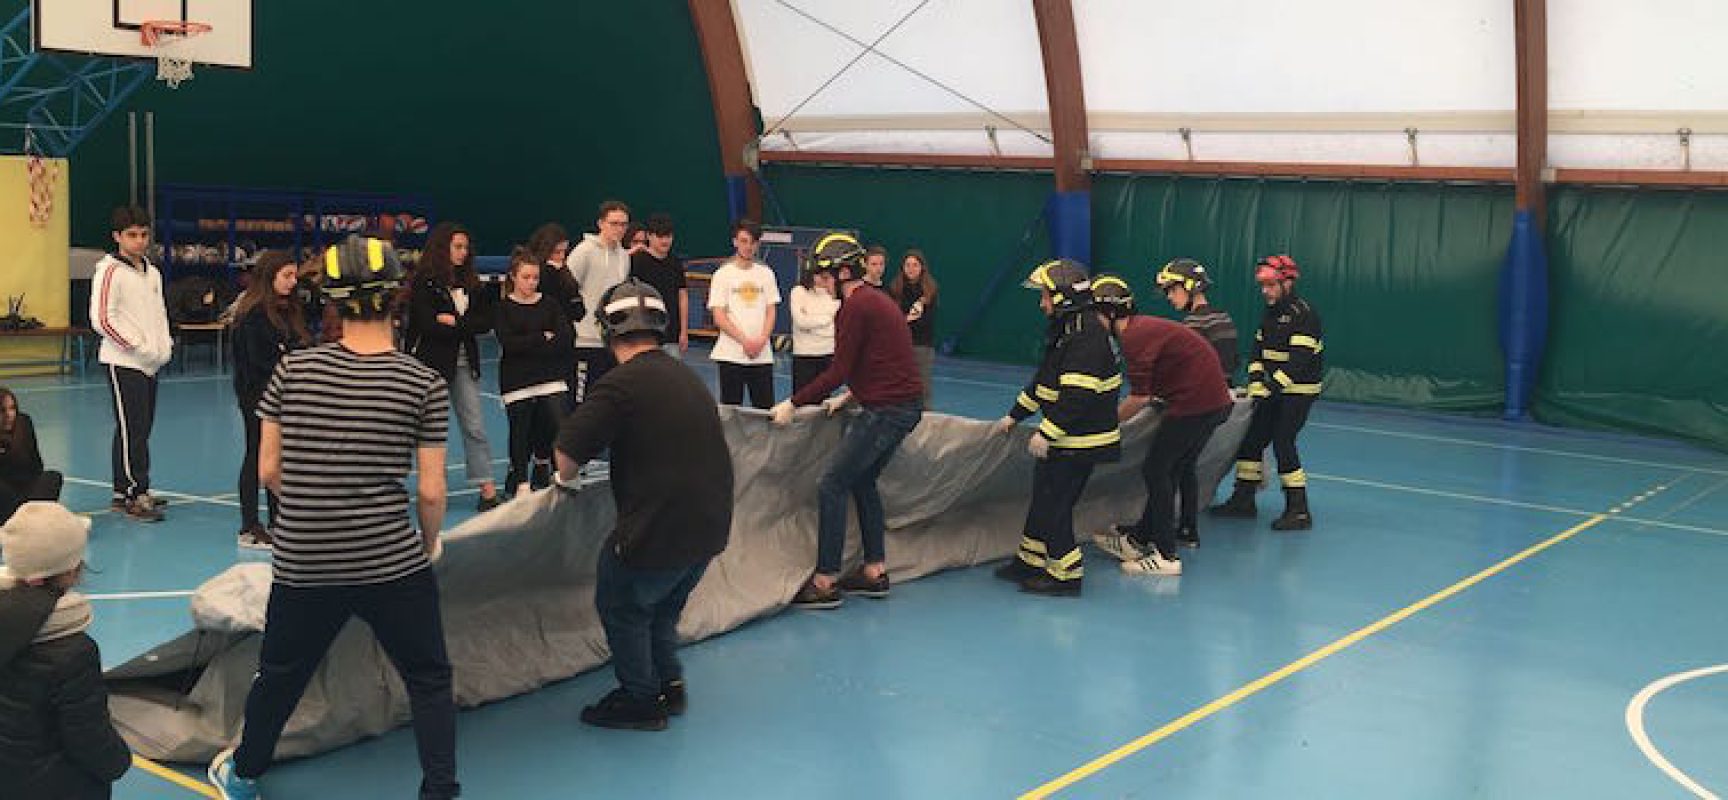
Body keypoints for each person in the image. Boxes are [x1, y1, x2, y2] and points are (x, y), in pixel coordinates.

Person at [208, 236, 459, 800]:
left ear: (331, 298)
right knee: (429, 678)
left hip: (305, 561)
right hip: (392, 562)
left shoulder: (293, 370)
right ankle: (440, 790)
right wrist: (429, 544)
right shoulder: (423, 383)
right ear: (397, 294)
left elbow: (269, 469)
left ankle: (245, 774)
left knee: (280, 675)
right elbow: (433, 491)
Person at [554, 279, 732, 731]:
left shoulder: (619, 386)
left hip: (661, 532)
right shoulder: (687, 376)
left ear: (610, 331)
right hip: (709, 531)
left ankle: (641, 700)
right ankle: (670, 686)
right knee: (663, 608)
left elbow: (566, 462)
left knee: (621, 603)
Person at [771, 233, 924, 609]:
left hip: (887, 411)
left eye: (823, 278)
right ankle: (875, 571)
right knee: (863, 480)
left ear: (842, 273)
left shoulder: (855, 307)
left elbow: (839, 368)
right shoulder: (877, 301)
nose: (820, 285)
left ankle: (824, 581)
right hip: (904, 406)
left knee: (832, 483)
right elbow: (880, 359)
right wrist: (852, 397)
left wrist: (793, 401)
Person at [990, 259, 1121, 597]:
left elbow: (1078, 395)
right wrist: (1014, 416)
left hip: (1081, 441)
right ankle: (1031, 561)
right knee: (1043, 498)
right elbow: (1045, 383)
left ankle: (1066, 576)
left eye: (1045, 296)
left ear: (1062, 297)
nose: (1041, 303)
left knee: (1055, 505)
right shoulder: (1069, 328)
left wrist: (1047, 431)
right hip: (1069, 437)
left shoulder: (1086, 335)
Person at [1087, 276, 1231, 576]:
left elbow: (1138, 398)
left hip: (1197, 404)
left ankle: (1166, 555)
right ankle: (1141, 538)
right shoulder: (1141, 328)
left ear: (1110, 314)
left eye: (1094, 315)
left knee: (1157, 470)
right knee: (1170, 469)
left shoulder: (1133, 339)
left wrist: (1103, 423)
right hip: (1210, 401)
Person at [0, 502, 132, 799]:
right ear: (73, 568)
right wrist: (120, 761)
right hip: (53, 785)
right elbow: (88, 738)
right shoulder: (74, 653)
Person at [1210, 254, 1324, 531]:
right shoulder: (1269, 313)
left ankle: (1298, 509)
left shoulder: (1304, 314)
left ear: (1287, 283)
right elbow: (1258, 352)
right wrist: (1256, 383)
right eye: (1263, 286)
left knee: (1283, 442)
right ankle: (1243, 500)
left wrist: (1271, 388)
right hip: (1273, 391)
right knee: (1251, 440)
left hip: (1298, 392)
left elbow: (1299, 360)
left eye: (1271, 285)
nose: (1265, 291)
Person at [404, 222, 502, 511]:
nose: (463, 252)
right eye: (457, 246)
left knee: (475, 425)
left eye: (465, 247)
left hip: (464, 364)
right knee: (428, 428)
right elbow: (427, 324)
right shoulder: (426, 282)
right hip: (431, 365)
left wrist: (456, 323)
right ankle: (433, 485)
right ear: (442, 247)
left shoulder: (473, 283)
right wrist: (458, 327)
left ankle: (486, 488)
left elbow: (485, 322)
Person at [91, 205, 173, 522]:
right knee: (132, 429)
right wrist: (136, 347)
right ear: (117, 237)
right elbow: (102, 319)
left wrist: (163, 347)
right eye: (131, 235)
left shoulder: (152, 273)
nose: (139, 241)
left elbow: (159, 314)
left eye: (143, 234)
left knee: (139, 428)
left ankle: (123, 489)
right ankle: (135, 494)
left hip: (151, 363)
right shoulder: (109, 271)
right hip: (122, 361)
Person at [228, 252, 312, 549]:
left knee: (281, 458)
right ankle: (249, 526)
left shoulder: (289, 309)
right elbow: (261, 361)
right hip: (257, 396)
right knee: (256, 455)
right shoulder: (251, 314)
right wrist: (288, 359)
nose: (293, 282)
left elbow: (301, 346)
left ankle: (279, 520)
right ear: (269, 277)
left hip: (285, 396)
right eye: (286, 276)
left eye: (294, 275)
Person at [495, 248, 572, 498]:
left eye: (535, 278)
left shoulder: (549, 304)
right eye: (526, 277)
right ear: (514, 278)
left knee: (556, 422)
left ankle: (556, 471)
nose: (531, 282)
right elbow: (509, 343)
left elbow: (565, 336)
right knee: (520, 429)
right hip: (517, 378)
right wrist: (541, 337)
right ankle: (520, 481)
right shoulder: (504, 308)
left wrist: (534, 343)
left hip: (550, 374)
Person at [707, 219, 780, 408]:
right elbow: (719, 315)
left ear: (758, 244)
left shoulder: (766, 274)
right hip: (731, 355)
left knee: (765, 410)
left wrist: (761, 340)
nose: (748, 246)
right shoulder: (723, 274)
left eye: (753, 242)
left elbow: (771, 310)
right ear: (735, 242)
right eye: (744, 241)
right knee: (731, 412)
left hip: (761, 355)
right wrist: (745, 341)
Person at [566, 201, 633, 407]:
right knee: (580, 402)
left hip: (611, 342)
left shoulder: (624, 256)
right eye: (614, 223)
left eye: (623, 224)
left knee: (608, 400)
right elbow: (566, 288)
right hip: (585, 340)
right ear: (601, 224)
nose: (619, 229)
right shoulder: (584, 251)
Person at [1154, 258, 1239, 386]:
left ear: (1190, 286)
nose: (1169, 297)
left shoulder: (1194, 323)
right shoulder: (1223, 317)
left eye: (1173, 290)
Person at [628, 214, 689, 358]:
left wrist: (684, 331)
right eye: (660, 236)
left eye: (668, 236)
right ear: (649, 236)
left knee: (671, 376)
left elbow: (682, 296)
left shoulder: (675, 263)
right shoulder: (637, 261)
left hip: (671, 332)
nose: (665, 240)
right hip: (645, 332)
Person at [0, 389, 63, 524]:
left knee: (53, 477)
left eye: (12, 408)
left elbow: (37, 466)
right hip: (4, 492)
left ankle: (26, 517)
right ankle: (29, 517)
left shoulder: (24, 423)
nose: (9, 415)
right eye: (2, 410)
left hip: (26, 489)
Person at [888, 249, 938, 408]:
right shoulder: (894, 289)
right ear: (902, 267)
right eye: (908, 265)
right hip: (898, 345)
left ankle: (927, 420)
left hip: (922, 346)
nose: (911, 268)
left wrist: (907, 320)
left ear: (922, 267)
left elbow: (926, 321)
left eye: (915, 265)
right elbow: (891, 319)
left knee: (922, 388)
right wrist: (905, 320)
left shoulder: (930, 291)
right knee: (896, 384)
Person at [787, 260, 839, 394]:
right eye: (819, 275)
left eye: (826, 276)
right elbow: (801, 322)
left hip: (827, 354)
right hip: (804, 355)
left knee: (824, 402)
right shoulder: (798, 292)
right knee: (802, 402)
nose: (822, 279)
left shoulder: (834, 294)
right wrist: (827, 318)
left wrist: (812, 320)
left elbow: (835, 324)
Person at [527, 222, 585, 331]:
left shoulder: (564, 272)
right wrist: (551, 272)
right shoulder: (540, 273)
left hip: (564, 331)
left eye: (564, 251)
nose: (562, 256)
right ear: (544, 251)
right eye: (556, 252)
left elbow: (579, 311)